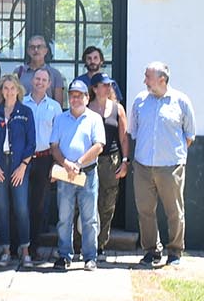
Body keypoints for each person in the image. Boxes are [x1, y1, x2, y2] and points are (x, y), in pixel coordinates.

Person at [128, 61, 195, 268]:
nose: (144, 81)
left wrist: (173, 155)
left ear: (162, 79)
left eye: (148, 77)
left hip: (171, 166)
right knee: (145, 210)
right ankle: (151, 251)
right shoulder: (140, 101)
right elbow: (134, 131)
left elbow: (189, 135)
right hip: (143, 165)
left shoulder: (181, 101)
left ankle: (175, 252)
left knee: (174, 210)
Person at [50, 79, 105, 271]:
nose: (75, 99)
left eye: (79, 96)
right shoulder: (60, 118)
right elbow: (54, 146)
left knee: (89, 218)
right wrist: (67, 164)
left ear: (87, 98)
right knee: (64, 217)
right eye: (72, 96)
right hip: (65, 174)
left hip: (87, 174)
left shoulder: (94, 119)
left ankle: (90, 257)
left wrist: (79, 164)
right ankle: (64, 255)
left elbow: (98, 146)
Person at [0, 73, 35, 266]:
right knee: (2, 208)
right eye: (5, 88)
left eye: (12, 88)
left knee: (21, 208)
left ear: (18, 90)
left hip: (19, 165)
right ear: (1, 91)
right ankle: (5, 249)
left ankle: (25, 250)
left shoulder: (26, 112)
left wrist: (23, 166)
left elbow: (31, 143)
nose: (9, 91)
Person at [88, 71, 130, 259]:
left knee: (107, 203)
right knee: (87, 203)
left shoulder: (118, 109)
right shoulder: (87, 108)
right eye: (103, 85)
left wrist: (125, 161)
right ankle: (83, 243)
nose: (107, 88)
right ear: (95, 88)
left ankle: (101, 243)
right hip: (90, 159)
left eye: (109, 85)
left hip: (110, 160)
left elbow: (124, 138)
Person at [22, 66, 62, 258]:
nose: (39, 82)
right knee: (20, 204)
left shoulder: (54, 107)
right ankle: (17, 246)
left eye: (43, 80)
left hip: (45, 158)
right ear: (32, 81)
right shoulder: (22, 103)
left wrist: (56, 163)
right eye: (37, 79)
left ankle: (34, 247)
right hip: (23, 159)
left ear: (49, 84)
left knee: (38, 205)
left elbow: (57, 137)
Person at [14, 35, 65, 103]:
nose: (36, 50)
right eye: (32, 47)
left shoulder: (55, 74)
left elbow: (58, 105)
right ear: (28, 51)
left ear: (45, 51)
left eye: (39, 47)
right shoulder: (18, 72)